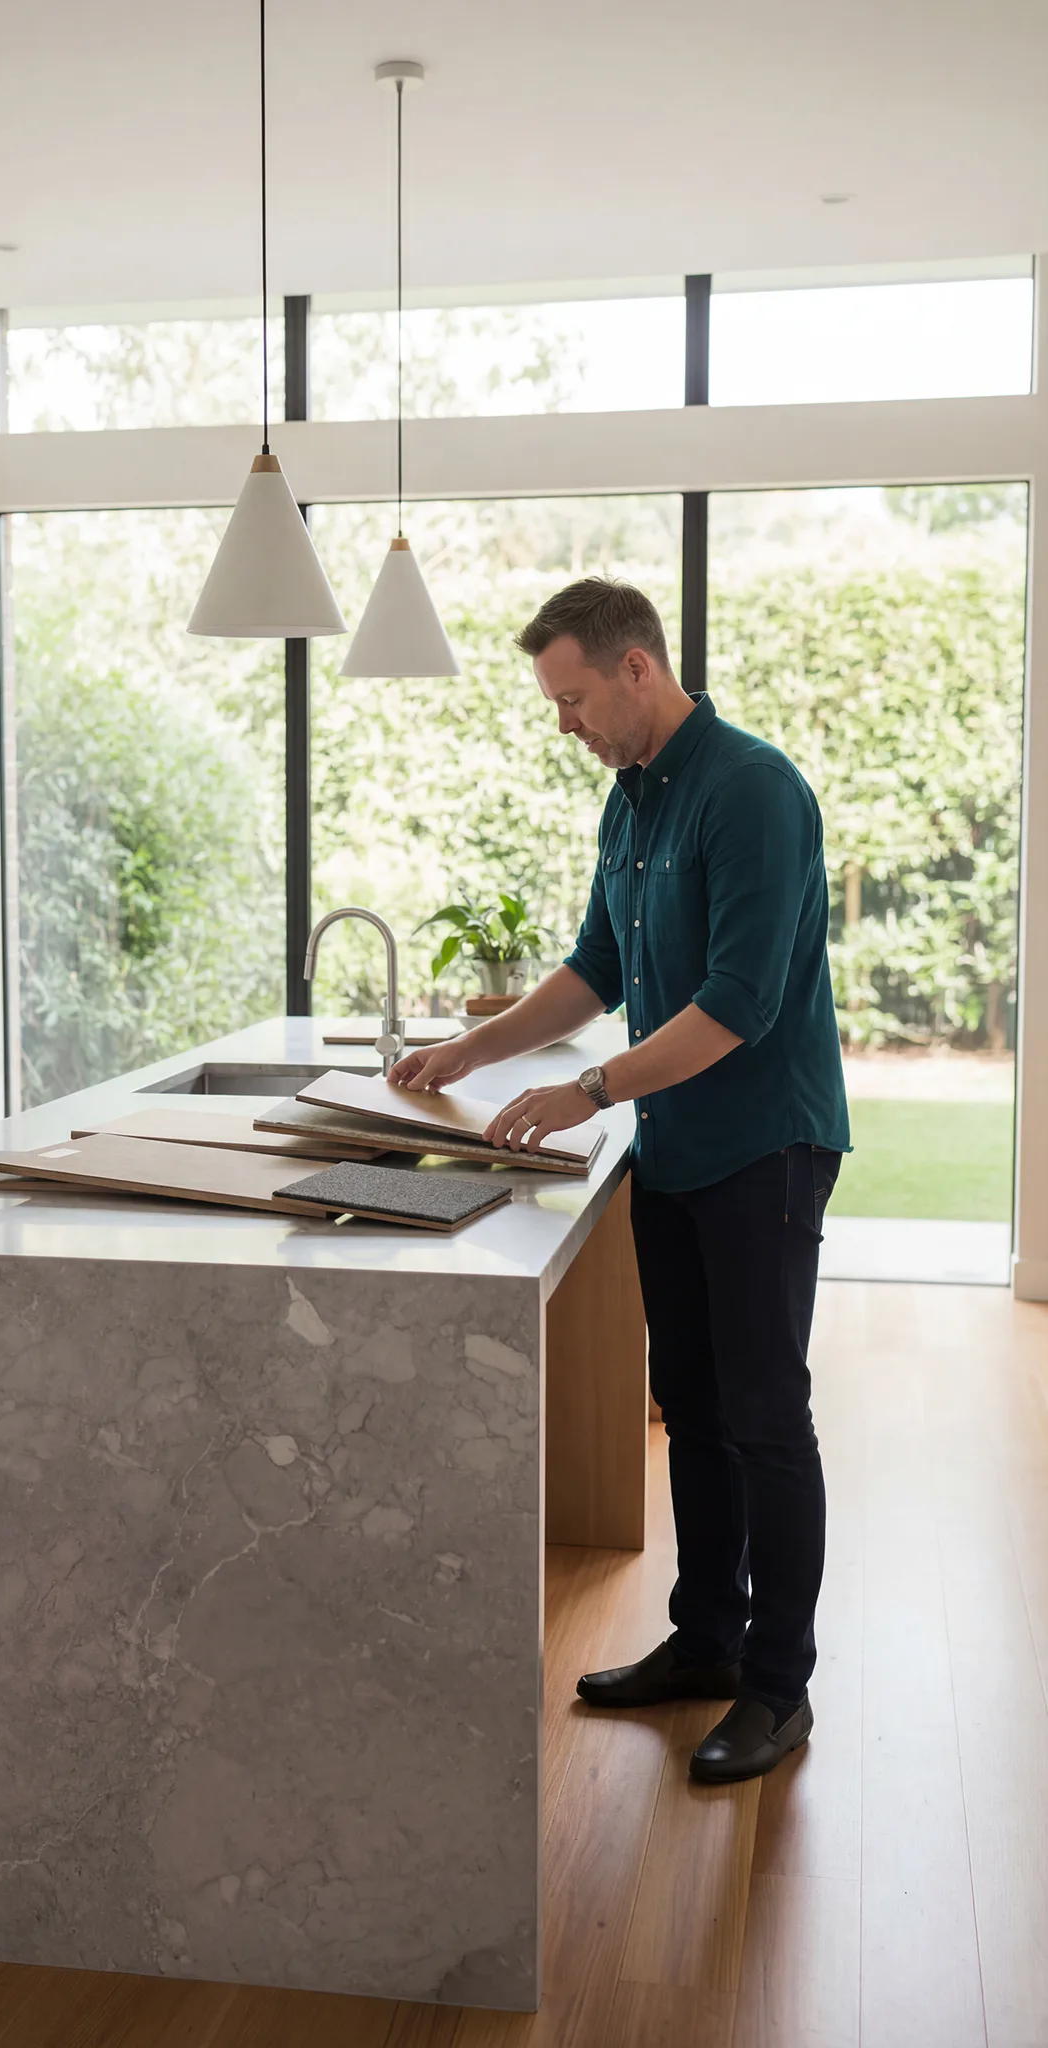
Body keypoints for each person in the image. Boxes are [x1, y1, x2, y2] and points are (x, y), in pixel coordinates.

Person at [390, 577, 850, 1784]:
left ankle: (779, 1686)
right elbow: (598, 965)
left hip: (768, 1145)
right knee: (690, 1411)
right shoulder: (630, 802)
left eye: (575, 697)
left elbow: (737, 1008)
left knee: (763, 1417)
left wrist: (590, 1094)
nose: (567, 723)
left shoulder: (753, 792)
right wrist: (468, 1048)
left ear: (636, 668)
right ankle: (706, 1639)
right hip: (683, 1152)